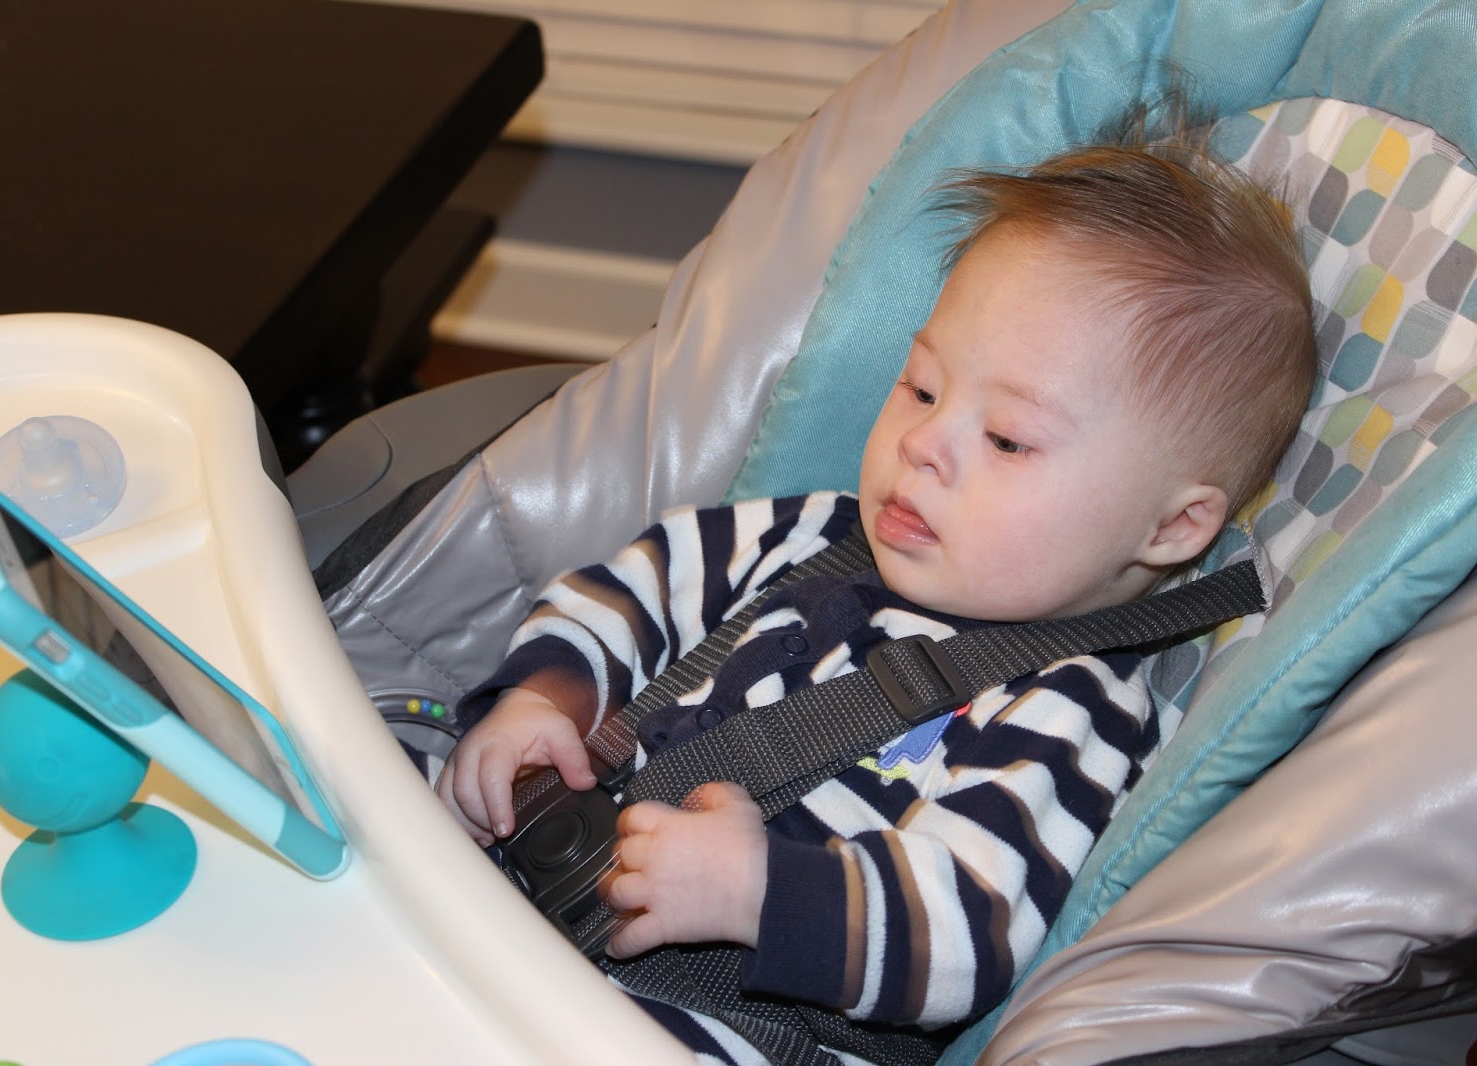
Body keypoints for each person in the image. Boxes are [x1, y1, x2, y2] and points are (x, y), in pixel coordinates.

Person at [433, 110, 1317, 1065]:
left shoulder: (1068, 711)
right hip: (517, 927)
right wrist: (543, 701)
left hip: (710, 1031)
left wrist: (758, 892)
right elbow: (632, 592)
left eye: (1008, 439)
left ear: (1171, 529)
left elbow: (969, 930)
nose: (922, 444)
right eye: (923, 388)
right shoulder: (814, 534)